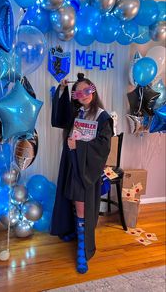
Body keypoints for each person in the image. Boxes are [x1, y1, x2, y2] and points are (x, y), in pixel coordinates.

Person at [50, 73, 114, 274]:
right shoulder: (77, 112)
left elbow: (104, 146)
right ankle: (74, 232)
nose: (83, 95)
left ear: (93, 91)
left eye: (87, 90)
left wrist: (79, 146)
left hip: (86, 165)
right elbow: (60, 120)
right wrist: (62, 90)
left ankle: (82, 249)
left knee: (81, 202)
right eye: (78, 93)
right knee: (69, 196)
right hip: (70, 161)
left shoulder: (103, 117)